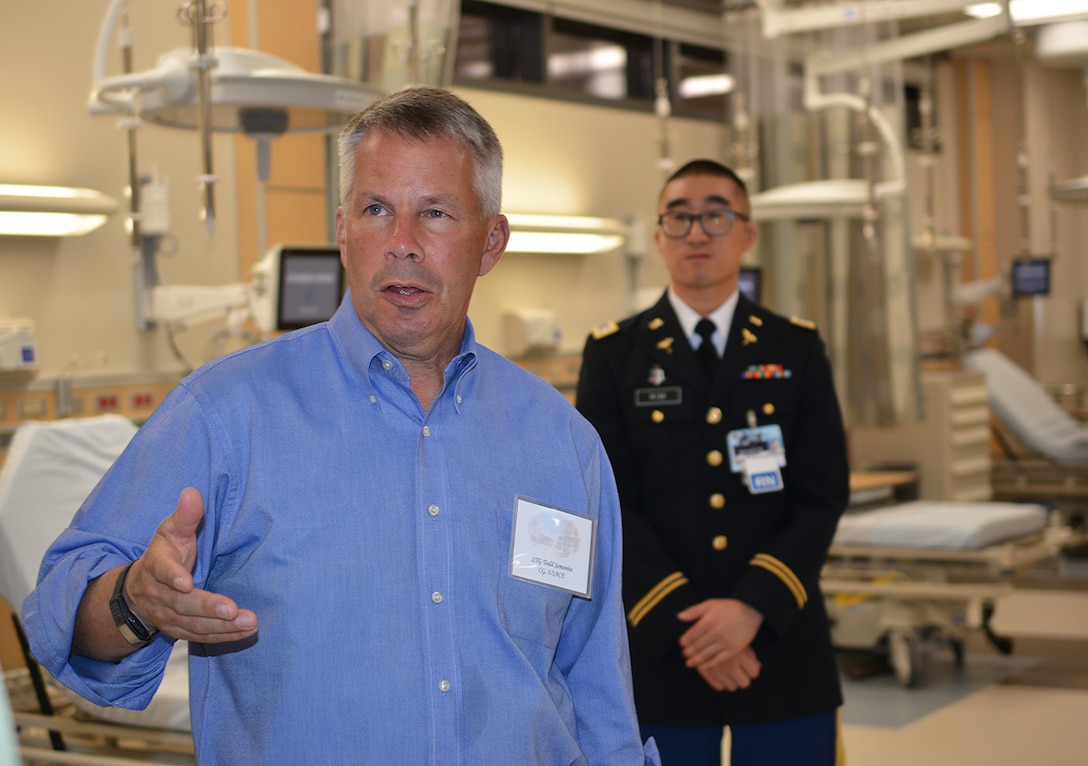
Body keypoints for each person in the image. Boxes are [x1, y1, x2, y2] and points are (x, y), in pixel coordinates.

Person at [23, 86, 658, 766]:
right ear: (342, 230)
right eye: (376, 210)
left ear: (491, 242)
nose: (402, 244)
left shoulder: (561, 442)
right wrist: (133, 602)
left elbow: (596, 685)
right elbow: (60, 614)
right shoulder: (226, 415)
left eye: (436, 214)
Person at [575, 159, 849, 766]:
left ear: (747, 233)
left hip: (780, 637)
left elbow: (821, 495)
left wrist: (752, 606)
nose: (697, 232)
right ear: (658, 237)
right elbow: (607, 501)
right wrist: (691, 627)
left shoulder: (795, 347)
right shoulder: (615, 353)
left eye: (716, 215)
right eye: (679, 218)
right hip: (661, 648)